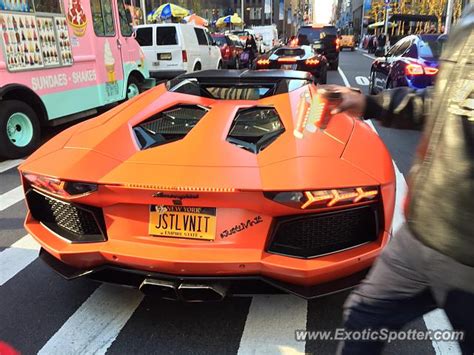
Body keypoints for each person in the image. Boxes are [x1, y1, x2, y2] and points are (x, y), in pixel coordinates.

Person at [319, 5, 474, 354]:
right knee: (363, 318)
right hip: (420, 235)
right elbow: (441, 104)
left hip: (468, 256)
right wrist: (370, 105)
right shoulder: (467, 21)